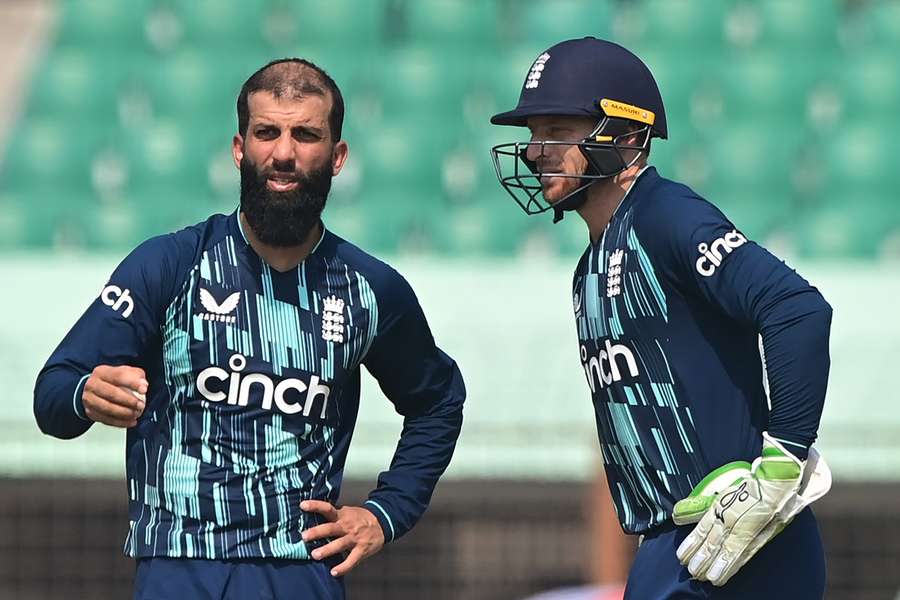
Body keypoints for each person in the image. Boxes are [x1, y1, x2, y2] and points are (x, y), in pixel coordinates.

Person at [33, 58, 465, 600]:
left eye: (305, 135)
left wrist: (386, 512)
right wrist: (84, 394)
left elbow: (438, 402)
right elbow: (52, 394)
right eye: (267, 133)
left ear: (338, 158)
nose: (283, 153)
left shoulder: (370, 289)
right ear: (239, 148)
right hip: (177, 564)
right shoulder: (167, 266)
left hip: (300, 571)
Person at [489, 37, 833, 599]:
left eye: (556, 131)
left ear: (625, 136)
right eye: (532, 136)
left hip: (745, 539)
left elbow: (797, 309)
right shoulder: (589, 268)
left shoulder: (665, 215)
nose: (534, 152)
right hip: (678, 546)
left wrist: (783, 461)